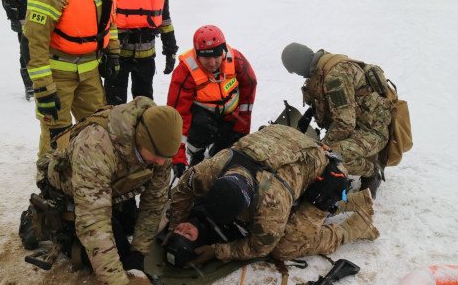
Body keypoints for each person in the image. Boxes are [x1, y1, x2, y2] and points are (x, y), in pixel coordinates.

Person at [166, 124, 379, 266]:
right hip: (286, 143)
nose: (184, 230)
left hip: (327, 173)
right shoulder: (209, 171)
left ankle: (356, 227)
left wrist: (218, 251)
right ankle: (355, 202)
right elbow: (185, 189)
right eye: (186, 233)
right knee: (281, 211)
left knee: (284, 247)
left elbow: (260, 246)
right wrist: (175, 221)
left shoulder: (271, 202)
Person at [25, 97, 182, 285]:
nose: (162, 163)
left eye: (167, 157)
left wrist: (138, 255)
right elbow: (92, 222)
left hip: (111, 187)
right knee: (115, 256)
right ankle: (38, 221)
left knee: (131, 230)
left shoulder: (160, 146)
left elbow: (154, 203)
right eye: (157, 156)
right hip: (68, 190)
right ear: (141, 140)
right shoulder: (96, 146)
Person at [23, 0, 120, 158]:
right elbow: (34, 43)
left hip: (90, 71)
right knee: (56, 136)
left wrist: (113, 53)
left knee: (98, 128)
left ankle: (91, 177)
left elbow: (110, 21)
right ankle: (50, 185)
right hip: (57, 74)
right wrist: (44, 88)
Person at [280, 42, 392, 198]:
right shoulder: (320, 66)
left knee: (333, 155)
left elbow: (345, 123)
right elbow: (328, 102)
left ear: (301, 64)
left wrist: (322, 148)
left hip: (372, 130)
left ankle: (372, 171)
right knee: (328, 150)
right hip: (358, 125)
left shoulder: (334, 76)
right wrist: (308, 115)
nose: (300, 75)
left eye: (297, 72)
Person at [166, 25, 257, 177]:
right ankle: (196, 155)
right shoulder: (185, 72)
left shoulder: (236, 60)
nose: (213, 62)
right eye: (207, 57)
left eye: (216, 56)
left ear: (223, 52)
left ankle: (219, 149)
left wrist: (242, 127)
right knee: (202, 128)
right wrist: (177, 158)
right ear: (197, 54)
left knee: (227, 153)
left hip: (230, 117)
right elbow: (177, 116)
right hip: (201, 121)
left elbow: (249, 88)